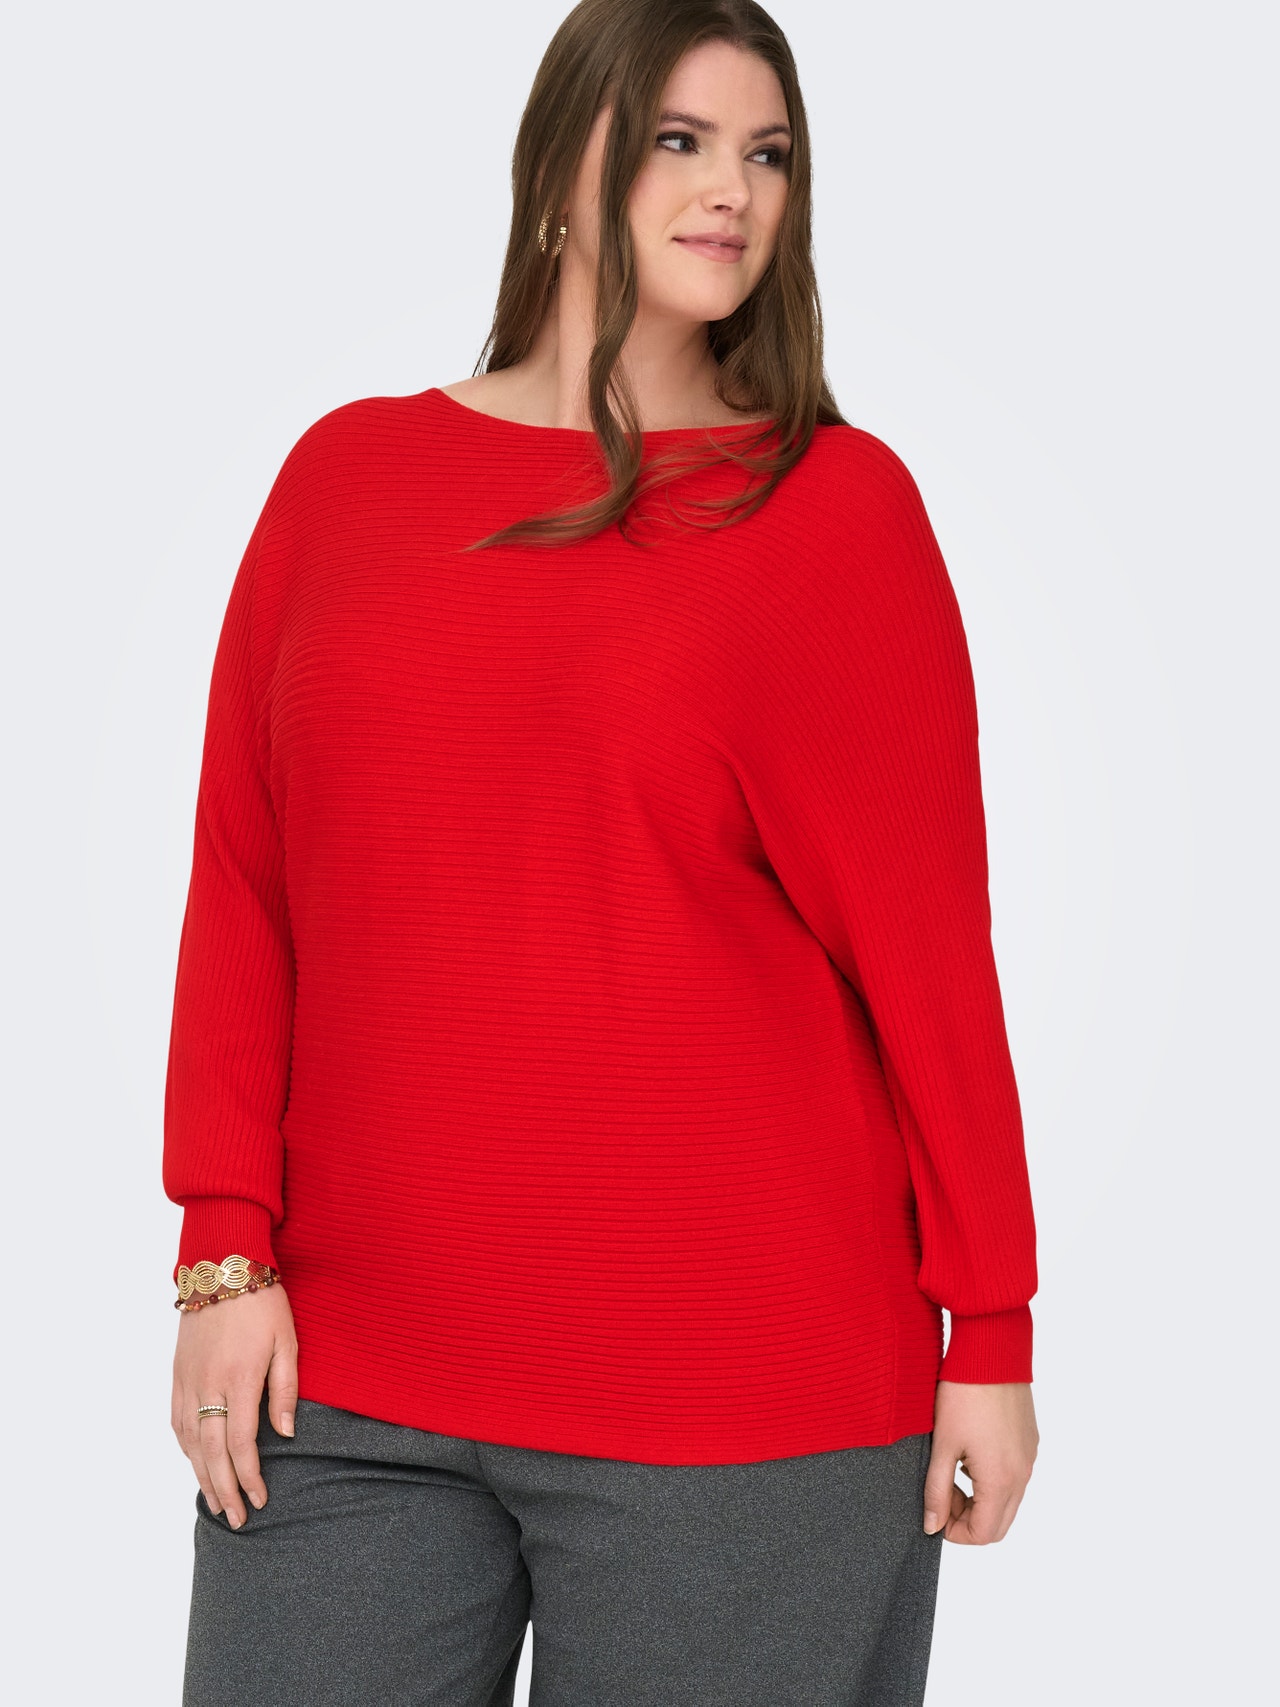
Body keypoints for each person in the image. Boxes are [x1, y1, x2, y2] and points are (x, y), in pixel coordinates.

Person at [164, 1, 1040, 1701]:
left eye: (767, 154)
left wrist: (989, 1326)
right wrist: (222, 1252)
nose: (732, 191)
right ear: (564, 165)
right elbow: (246, 881)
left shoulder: (833, 511)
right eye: (679, 141)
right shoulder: (347, 480)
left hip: (747, 1405)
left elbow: (930, 953)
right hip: (341, 1384)